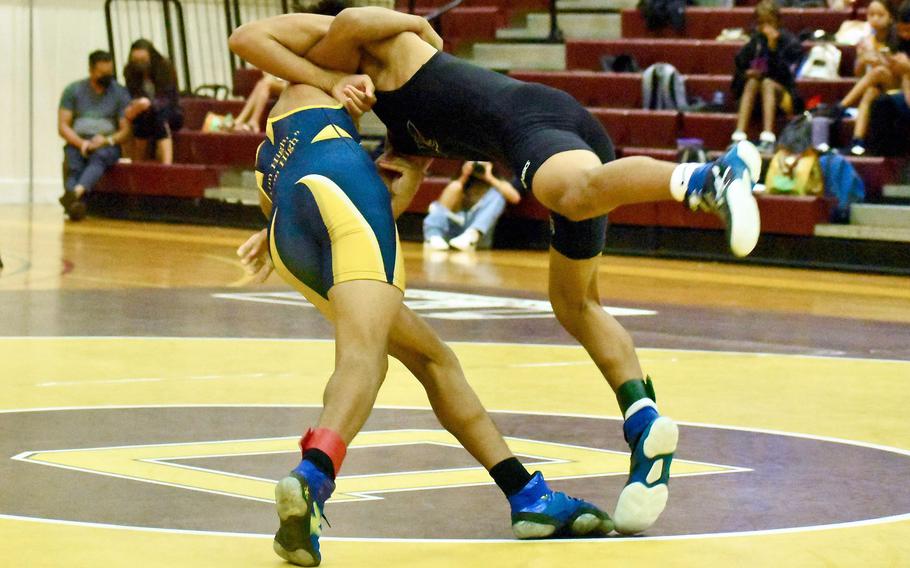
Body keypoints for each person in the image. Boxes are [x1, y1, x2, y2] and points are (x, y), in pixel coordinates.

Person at [231, 6, 764, 537]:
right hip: (492, 153)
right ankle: (642, 424)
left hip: (533, 122)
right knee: (575, 304)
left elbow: (339, 22)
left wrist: (412, 26)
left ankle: (709, 177)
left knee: (573, 195)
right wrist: (299, 218)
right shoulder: (399, 128)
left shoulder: (368, 45)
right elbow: (389, 193)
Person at [229, 8, 612, 565]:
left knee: (433, 360)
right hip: (338, 186)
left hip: (285, 226)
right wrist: (418, 32)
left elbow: (359, 187)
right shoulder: (335, 57)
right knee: (364, 359)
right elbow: (261, 35)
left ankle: (527, 495)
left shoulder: (308, 108)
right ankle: (313, 476)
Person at [57, 50, 132, 221]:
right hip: (78, 141)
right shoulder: (73, 90)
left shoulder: (120, 93)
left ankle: (73, 196)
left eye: (109, 73)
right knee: (73, 162)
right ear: (91, 71)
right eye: (102, 73)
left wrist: (107, 140)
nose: (107, 77)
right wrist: (81, 143)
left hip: (106, 143)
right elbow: (63, 126)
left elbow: (125, 130)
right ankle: (75, 201)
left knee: (99, 158)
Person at [730, 0, 804, 153]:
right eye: (762, 23)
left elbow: (788, 77)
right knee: (751, 82)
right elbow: (739, 70)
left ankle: (768, 138)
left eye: (769, 22)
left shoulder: (790, 42)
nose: (766, 27)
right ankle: (738, 136)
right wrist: (747, 74)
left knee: (768, 83)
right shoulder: (756, 41)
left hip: (784, 98)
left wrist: (772, 48)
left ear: (778, 21)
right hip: (759, 99)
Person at [837, 0, 899, 155]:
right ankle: (857, 142)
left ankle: (841, 107)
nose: (875, 18)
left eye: (880, 15)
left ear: (891, 17)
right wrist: (863, 60)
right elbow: (858, 74)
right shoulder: (866, 40)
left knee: (879, 71)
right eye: (871, 14)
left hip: (898, 84)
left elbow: (898, 69)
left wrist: (882, 59)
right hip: (877, 85)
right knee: (870, 91)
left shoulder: (897, 38)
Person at [423, 160, 521, 252]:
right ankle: (433, 235)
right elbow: (443, 204)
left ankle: (471, 237)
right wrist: (464, 176)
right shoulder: (461, 182)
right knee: (454, 187)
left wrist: (490, 177)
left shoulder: (497, 183)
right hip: (454, 228)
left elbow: (515, 198)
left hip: (477, 234)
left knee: (498, 194)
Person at [124, 39, 183, 164]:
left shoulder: (164, 67)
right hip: (145, 112)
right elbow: (131, 95)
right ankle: (138, 163)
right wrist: (134, 106)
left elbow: (168, 98)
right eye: (136, 61)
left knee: (159, 118)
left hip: (170, 112)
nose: (140, 64)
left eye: (143, 60)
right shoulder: (129, 71)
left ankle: (167, 165)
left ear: (151, 56)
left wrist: (149, 104)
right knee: (140, 120)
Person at [867, 1, 910, 156]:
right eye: (902, 30)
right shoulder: (901, 42)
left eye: (908, 30)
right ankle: (884, 159)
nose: (905, 35)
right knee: (881, 103)